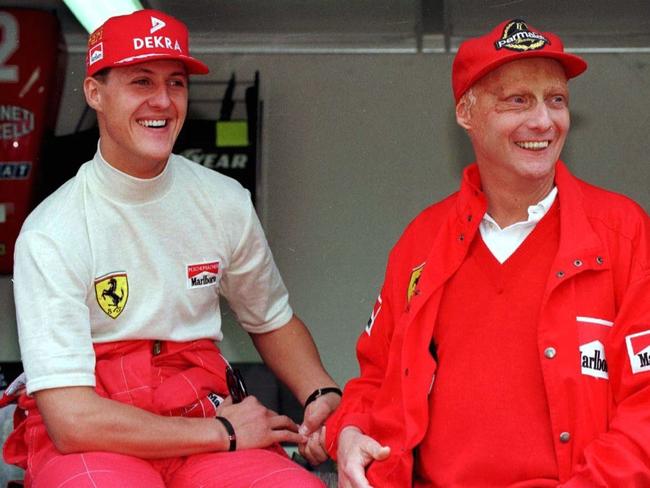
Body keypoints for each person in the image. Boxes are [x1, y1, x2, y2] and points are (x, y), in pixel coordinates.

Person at [2, 9, 340, 487]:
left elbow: (271, 318)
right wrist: (222, 431)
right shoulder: (51, 231)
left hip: (197, 403)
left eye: (176, 83)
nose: (162, 101)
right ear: (94, 92)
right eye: (141, 82)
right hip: (102, 429)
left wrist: (321, 393)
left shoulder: (223, 200)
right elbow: (72, 420)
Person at [324, 18, 650, 487]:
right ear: (465, 113)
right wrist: (350, 429)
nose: (542, 120)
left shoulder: (624, 233)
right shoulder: (423, 240)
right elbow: (376, 379)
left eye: (555, 99)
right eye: (517, 100)